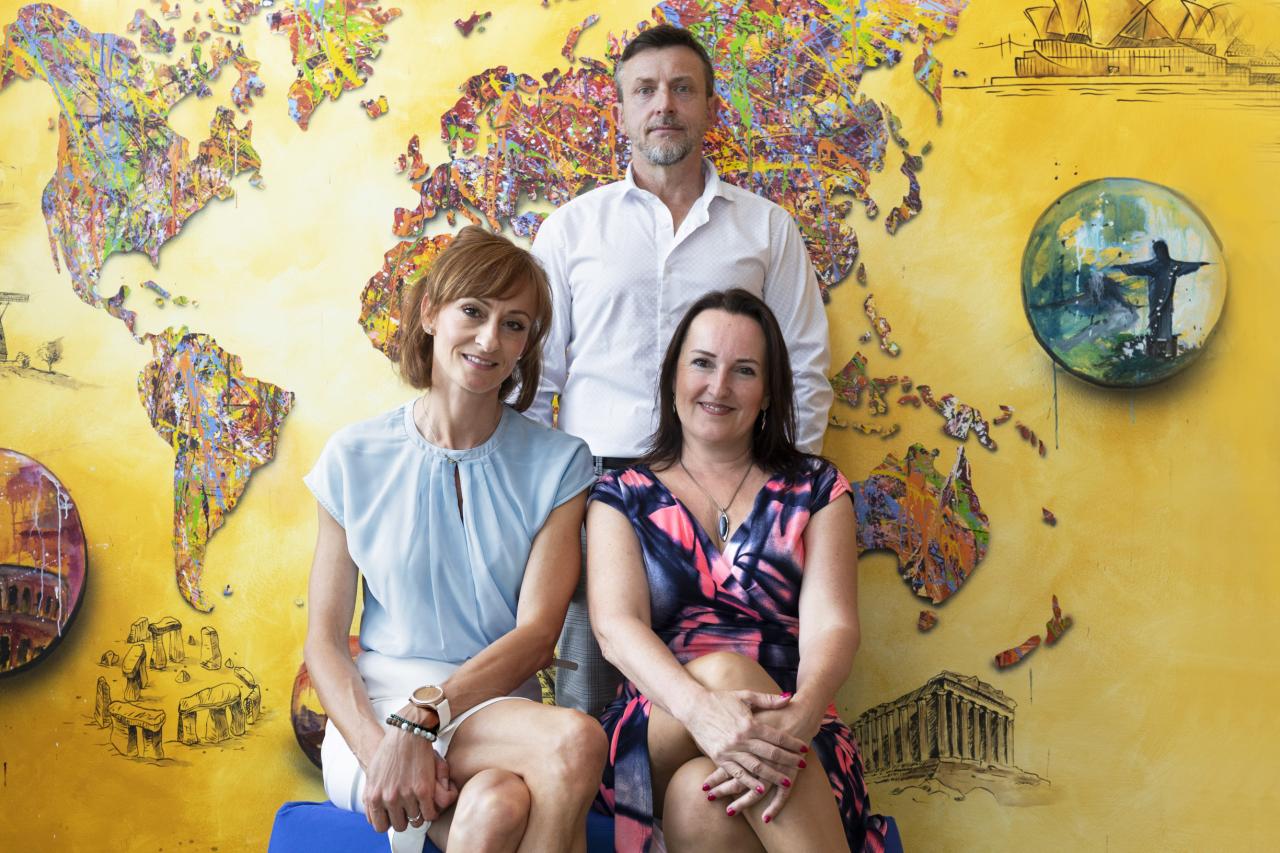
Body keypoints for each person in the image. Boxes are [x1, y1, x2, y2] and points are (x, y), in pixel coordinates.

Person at [529, 24, 833, 717]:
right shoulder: (571, 230)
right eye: (645, 90)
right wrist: (543, 508)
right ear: (621, 112)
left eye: (682, 88)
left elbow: (804, 368)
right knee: (589, 700)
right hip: (595, 488)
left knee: (729, 682)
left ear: (710, 108)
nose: (663, 103)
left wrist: (782, 495)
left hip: (730, 489)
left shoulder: (767, 230)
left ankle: (715, 791)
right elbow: (538, 378)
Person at [303, 226, 607, 853]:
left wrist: (427, 716)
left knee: (534, 774)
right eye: (473, 311)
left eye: (514, 324)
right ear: (430, 313)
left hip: (497, 713)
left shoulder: (561, 464)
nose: (490, 339)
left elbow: (537, 636)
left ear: (526, 345)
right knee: (527, 780)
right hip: (375, 712)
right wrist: (385, 751)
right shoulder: (352, 456)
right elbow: (325, 644)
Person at [586, 290, 886, 852]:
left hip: (794, 725)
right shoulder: (620, 494)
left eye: (744, 370)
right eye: (702, 363)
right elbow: (615, 629)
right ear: (673, 377)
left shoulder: (818, 488)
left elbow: (834, 627)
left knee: (697, 799)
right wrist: (702, 712)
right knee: (725, 672)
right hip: (659, 722)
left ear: (769, 391)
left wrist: (801, 717)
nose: (719, 387)